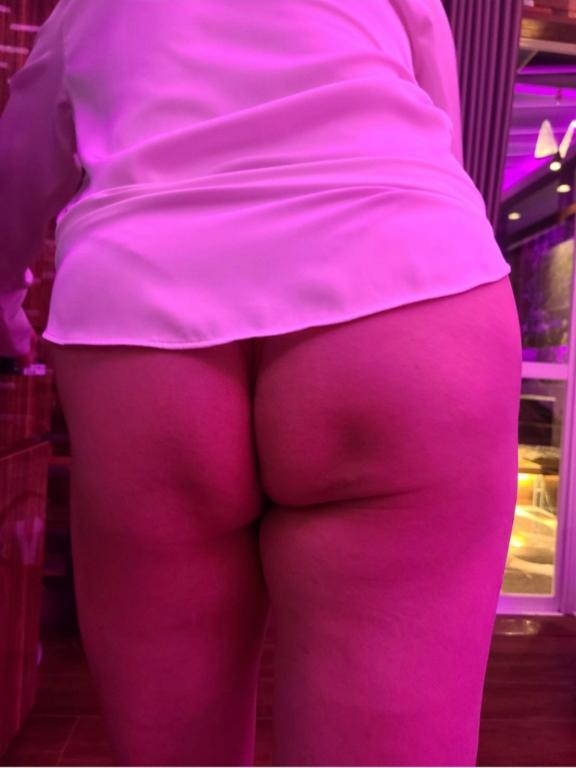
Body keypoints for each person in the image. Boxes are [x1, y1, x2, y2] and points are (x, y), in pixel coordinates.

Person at [0, 0, 522, 765]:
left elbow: (15, 182)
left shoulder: (84, 9)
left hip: (143, 314)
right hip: (401, 282)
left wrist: (8, 310)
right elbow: (438, 130)